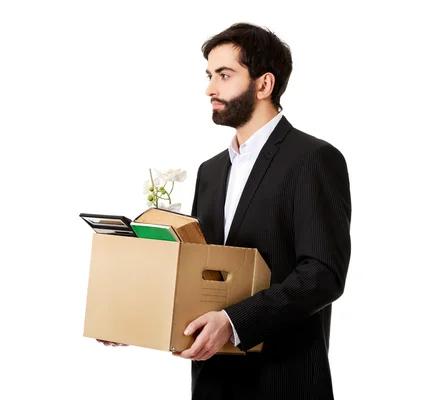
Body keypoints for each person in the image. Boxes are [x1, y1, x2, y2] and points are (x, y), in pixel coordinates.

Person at [100, 22, 352, 400]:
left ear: (264, 84)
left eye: (224, 75)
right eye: (209, 75)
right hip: (212, 383)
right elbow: (203, 273)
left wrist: (235, 323)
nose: (210, 88)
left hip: (283, 383)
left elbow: (322, 275)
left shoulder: (314, 159)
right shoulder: (211, 171)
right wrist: (133, 316)